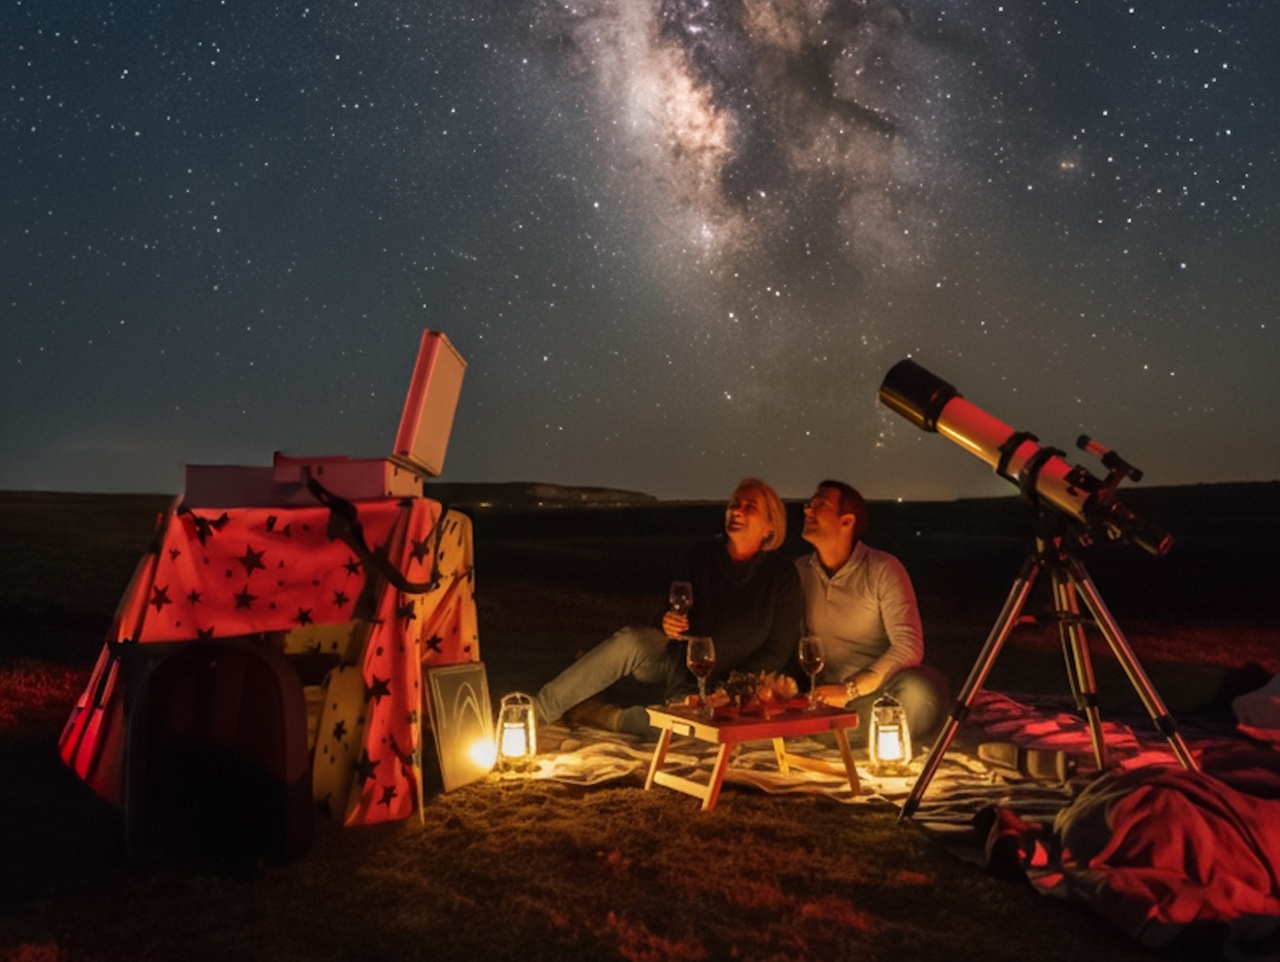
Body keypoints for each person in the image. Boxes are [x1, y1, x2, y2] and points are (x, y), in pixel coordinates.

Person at [533, 478, 805, 737]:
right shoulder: (701, 557)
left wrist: (731, 689)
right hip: (682, 662)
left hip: (735, 682)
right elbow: (670, 606)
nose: (737, 510)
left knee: (686, 733)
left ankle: (600, 714)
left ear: (770, 526)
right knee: (631, 640)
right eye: (735, 503)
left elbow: (777, 652)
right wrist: (667, 620)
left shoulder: (782, 576)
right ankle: (538, 710)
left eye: (750, 507)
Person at [796, 479, 948, 745]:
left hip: (883, 688)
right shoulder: (799, 572)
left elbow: (909, 645)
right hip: (827, 694)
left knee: (918, 693)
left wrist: (851, 689)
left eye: (820, 505)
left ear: (847, 522)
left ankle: (837, 729)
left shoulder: (882, 569)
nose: (807, 511)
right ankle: (867, 728)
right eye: (809, 504)